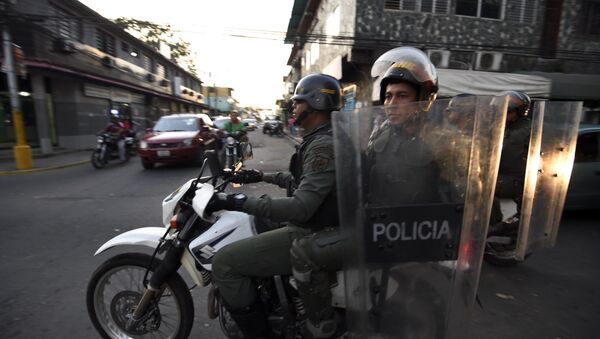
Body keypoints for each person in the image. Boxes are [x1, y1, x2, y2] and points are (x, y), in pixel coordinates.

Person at [206, 73, 343, 339]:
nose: (293, 106)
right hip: (319, 222)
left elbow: (302, 206)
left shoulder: (324, 144)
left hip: (312, 229)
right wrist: (259, 176)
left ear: (315, 102)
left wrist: (238, 201)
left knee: (225, 262)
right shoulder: (321, 137)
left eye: (298, 101)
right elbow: (302, 181)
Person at [366, 46, 444, 206]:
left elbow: (464, 195)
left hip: (423, 226)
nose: (392, 104)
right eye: (388, 96)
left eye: (402, 96)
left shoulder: (442, 141)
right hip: (380, 223)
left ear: (423, 100)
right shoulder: (379, 135)